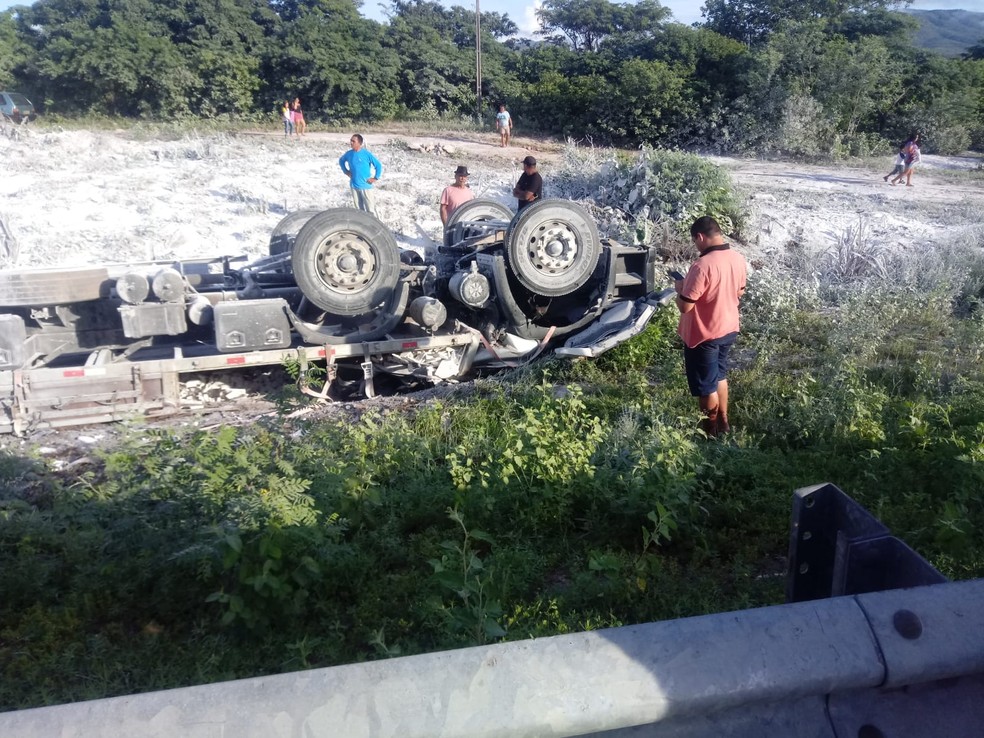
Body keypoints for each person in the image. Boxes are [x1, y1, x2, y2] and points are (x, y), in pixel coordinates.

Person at [674, 216, 747, 437]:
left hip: (704, 334)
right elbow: (739, 292)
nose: (696, 246)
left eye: (695, 241)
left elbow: (685, 306)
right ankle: (724, 424)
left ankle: (710, 434)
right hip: (728, 328)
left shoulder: (701, 265)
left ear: (700, 237)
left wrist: (680, 288)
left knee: (706, 387)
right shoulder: (737, 258)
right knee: (719, 376)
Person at [338, 134, 383, 215]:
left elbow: (378, 165)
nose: (351, 143)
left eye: (353, 141)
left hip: (366, 186)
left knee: (371, 210)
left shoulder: (366, 154)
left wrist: (375, 178)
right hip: (354, 186)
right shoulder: (349, 154)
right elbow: (341, 161)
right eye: (351, 141)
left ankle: (374, 222)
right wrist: (346, 171)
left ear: (359, 143)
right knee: (358, 211)